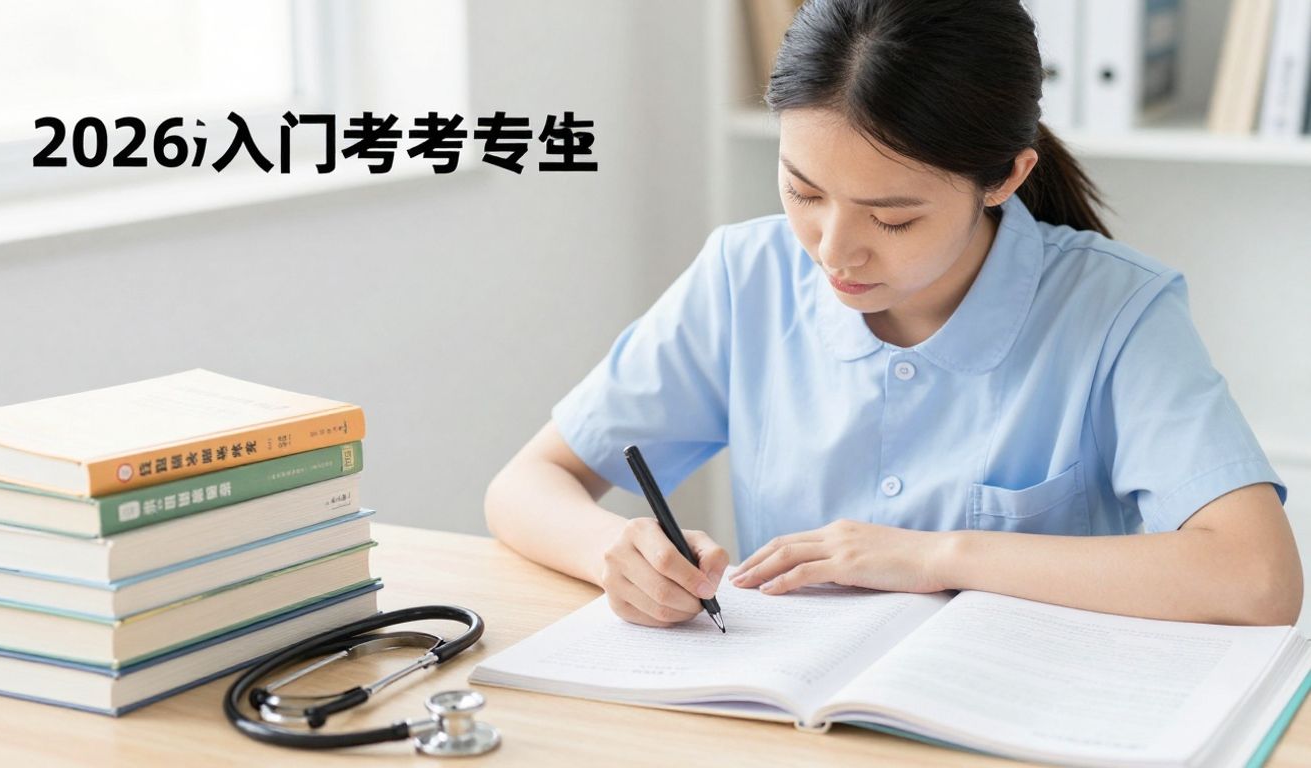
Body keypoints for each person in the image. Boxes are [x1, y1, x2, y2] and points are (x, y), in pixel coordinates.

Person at [485, 0, 1302, 628]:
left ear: (1006, 177)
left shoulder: (1116, 310)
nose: (835, 250)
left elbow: (1258, 579)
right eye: (803, 190)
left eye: (894, 218)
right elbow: (527, 484)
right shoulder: (747, 277)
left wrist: (938, 558)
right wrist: (616, 555)